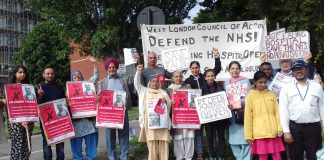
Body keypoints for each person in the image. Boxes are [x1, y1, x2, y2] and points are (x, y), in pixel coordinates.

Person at [279, 60, 324, 160]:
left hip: (313, 128)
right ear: (292, 72)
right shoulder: (286, 87)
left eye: (301, 69)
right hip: (294, 128)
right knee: (296, 156)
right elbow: (283, 111)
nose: (298, 71)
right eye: (295, 69)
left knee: (314, 156)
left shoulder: (316, 86)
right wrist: (286, 131)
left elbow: (322, 108)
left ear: (306, 70)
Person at [184, 48, 222, 160]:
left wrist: (217, 57)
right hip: (196, 111)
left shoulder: (205, 77)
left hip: (209, 110)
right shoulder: (187, 81)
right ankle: (199, 152)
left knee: (211, 132)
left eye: (196, 67)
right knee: (199, 133)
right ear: (190, 69)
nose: (195, 69)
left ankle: (212, 152)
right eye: (193, 68)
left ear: (199, 68)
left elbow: (217, 69)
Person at [97, 57, 133, 160]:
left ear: (117, 68)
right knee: (110, 138)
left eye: (113, 67)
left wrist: (137, 66)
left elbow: (135, 80)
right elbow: (99, 98)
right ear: (106, 68)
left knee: (124, 137)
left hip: (122, 112)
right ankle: (112, 157)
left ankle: (123, 157)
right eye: (109, 67)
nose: (112, 69)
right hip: (108, 115)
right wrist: (98, 97)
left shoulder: (123, 79)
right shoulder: (102, 83)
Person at [244, 71, 285, 160]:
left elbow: (277, 113)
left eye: (265, 82)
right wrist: (248, 135)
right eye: (260, 82)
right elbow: (248, 118)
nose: (263, 84)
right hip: (259, 133)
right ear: (254, 82)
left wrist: (280, 128)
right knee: (262, 156)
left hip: (273, 132)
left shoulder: (271, 94)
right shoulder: (250, 96)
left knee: (277, 155)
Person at [134, 64, 172, 160]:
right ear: (149, 83)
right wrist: (138, 72)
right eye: (153, 81)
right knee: (152, 146)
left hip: (162, 125)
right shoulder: (144, 91)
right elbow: (137, 83)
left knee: (164, 145)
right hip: (150, 124)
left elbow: (169, 105)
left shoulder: (163, 93)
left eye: (156, 81)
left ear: (159, 83)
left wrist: (165, 101)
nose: (155, 83)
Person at [69, 56, 99, 160]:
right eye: (74, 76)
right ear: (71, 78)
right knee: (76, 150)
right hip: (75, 123)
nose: (76, 77)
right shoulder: (67, 90)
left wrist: (94, 63)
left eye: (78, 75)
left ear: (82, 77)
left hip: (88, 122)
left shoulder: (87, 85)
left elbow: (95, 76)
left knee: (91, 149)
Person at [224, 61, 251, 160]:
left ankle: (247, 158)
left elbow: (248, 96)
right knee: (233, 139)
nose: (235, 70)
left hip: (243, 113)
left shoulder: (246, 81)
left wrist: (240, 104)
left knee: (246, 138)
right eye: (232, 68)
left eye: (237, 68)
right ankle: (239, 158)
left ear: (240, 69)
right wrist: (228, 104)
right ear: (229, 70)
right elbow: (225, 97)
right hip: (231, 115)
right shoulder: (226, 82)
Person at [6, 65, 34, 160]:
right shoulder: (9, 88)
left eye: (24, 72)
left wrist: (28, 120)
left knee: (26, 147)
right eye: (20, 72)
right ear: (15, 73)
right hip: (15, 123)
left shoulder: (29, 88)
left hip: (28, 122)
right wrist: (19, 121)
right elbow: (9, 107)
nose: (22, 74)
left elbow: (31, 105)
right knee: (17, 147)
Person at [38, 66, 66, 160]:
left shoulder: (59, 87)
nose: (50, 75)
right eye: (48, 73)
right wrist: (40, 96)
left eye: (52, 73)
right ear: (43, 75)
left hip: (59, 121)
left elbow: (64, 102)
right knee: (47, 145)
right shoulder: (39, 87)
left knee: (60, 146)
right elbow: (35, 104)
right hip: (46, 122)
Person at [167, 70, 195, 160]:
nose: (178, 78)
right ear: (172, 78)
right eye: (176, 76)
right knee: (177, 137)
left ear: (182, 77)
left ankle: (189, 157)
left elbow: (193, 100)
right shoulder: (168, 90)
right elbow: (165, 104)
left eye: (180, 76)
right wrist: (170, 102)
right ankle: (179, 157)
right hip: (176, 117)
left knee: (189, 137)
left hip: (187, 116)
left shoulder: (188, 87)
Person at [201, 69, 228, 160]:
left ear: (215, 76)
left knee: (221, 137)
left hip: (220, 118)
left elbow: (224, 100)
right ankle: (212, 155)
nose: (210, 78)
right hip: (208, 119)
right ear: (205, 77)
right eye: (208, 76)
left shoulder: (220, 87)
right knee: (209, 138)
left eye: (212, 75)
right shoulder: (202, 89)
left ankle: (222, 156)